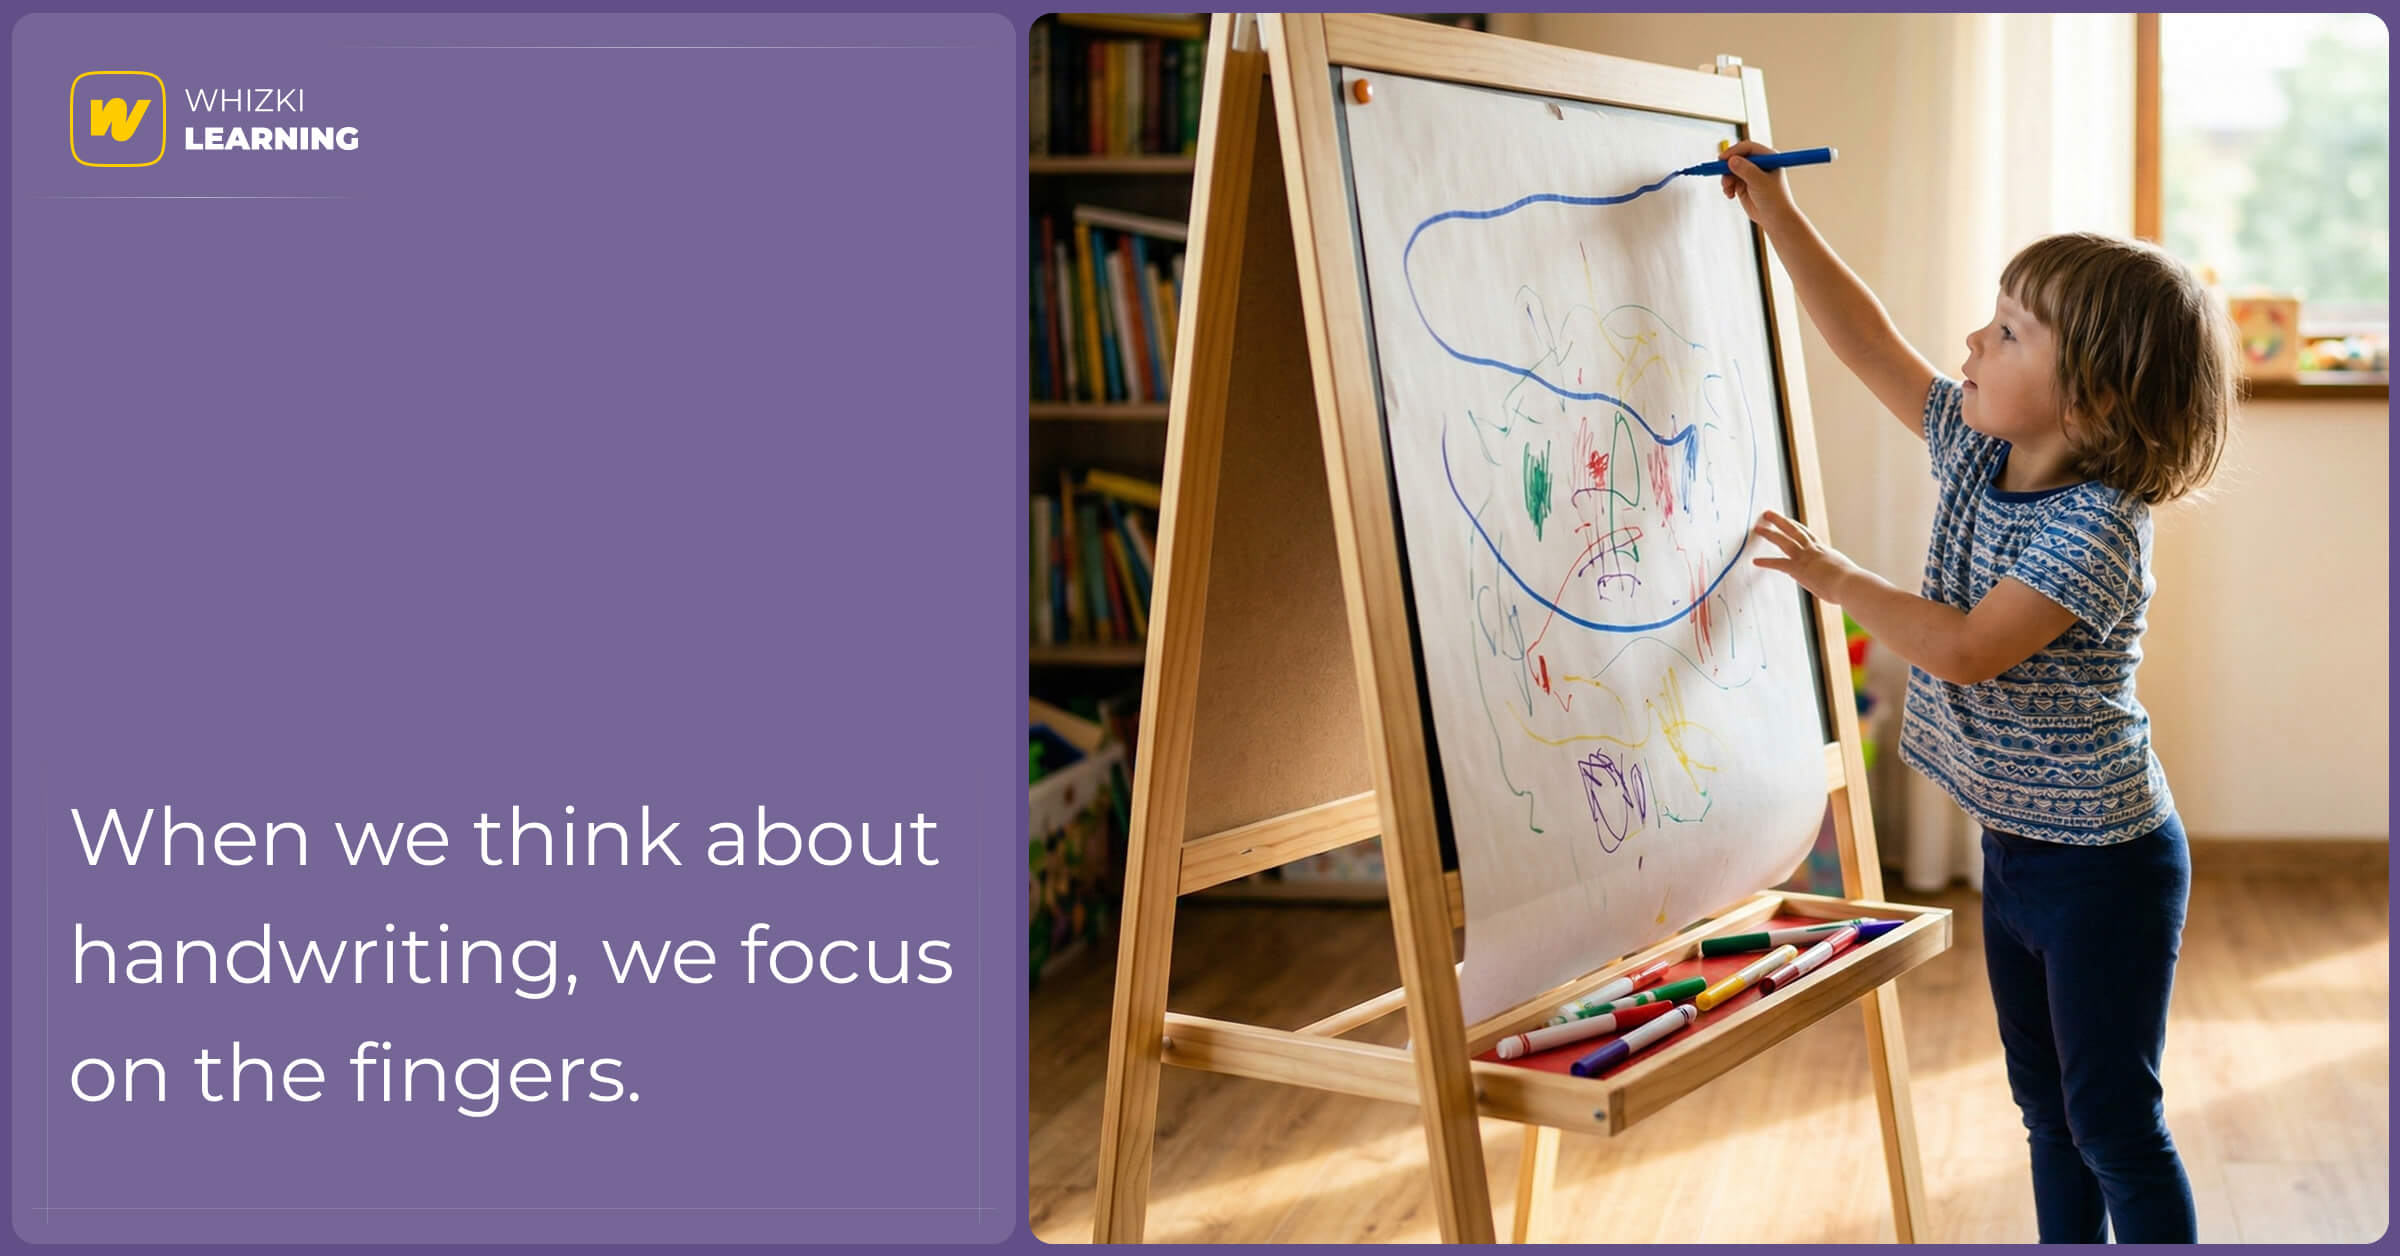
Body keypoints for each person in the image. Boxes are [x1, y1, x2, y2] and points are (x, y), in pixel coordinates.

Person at [1719, 138, 2236, 1243]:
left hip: (2103, 868)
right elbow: (1870, 344)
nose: (1971, 340)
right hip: (2017, 846)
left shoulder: (2098, 526)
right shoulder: (1975, 447)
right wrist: (1781, 217)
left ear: (2088, 403)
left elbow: (1960, 649)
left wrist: (1835, 576)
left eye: (2008, 332)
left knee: (2112, 1121)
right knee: (2047, 1111)